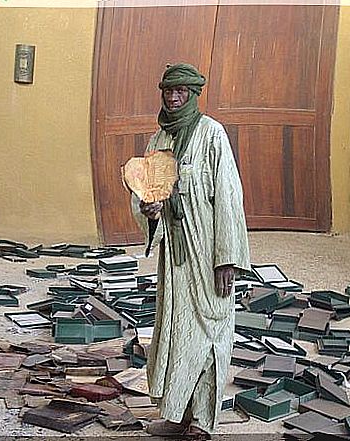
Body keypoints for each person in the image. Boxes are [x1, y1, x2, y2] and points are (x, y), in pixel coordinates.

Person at [131, 63, 250, 439]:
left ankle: (201, 421)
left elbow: (229, 199)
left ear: (193, 94)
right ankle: (177, 414)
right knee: (177, 333)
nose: (174, 97)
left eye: (181, 91)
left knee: (210, 333)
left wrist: (226, 257)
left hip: (208, 251)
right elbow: (146, 195)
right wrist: (148, 210)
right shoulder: (158, 142)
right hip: (176, 255)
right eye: (168, 91)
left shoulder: (212, 135)